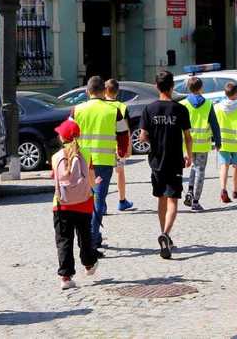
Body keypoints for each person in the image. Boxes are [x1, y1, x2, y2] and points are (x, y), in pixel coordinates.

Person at [71, 76, 129, 257]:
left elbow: (67, 133)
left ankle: (85, 237)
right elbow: (123, 134)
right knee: (98, 201)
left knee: (82, 200)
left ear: (87, 92)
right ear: (104, 92)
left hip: (81, 161)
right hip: (103, 162)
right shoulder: (113, 110)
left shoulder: (77, 109)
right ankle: (92, 239)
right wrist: (121, 151)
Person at [139, 71, 192, 259]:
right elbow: (187, 136)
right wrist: (189, 155)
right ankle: (166, 234)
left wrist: (150, 138)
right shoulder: (180, 109)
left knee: (161, 198)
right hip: (175, 160)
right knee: (173, 200)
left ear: (156, 86)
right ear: (172, 87)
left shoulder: (149, 109)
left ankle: (164, 234)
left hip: (156, 161)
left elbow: (143, 136)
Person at [51, 120, 98, 290]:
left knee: (64, 239)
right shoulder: (86, 153)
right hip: (84, 203)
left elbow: (56, 178)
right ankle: (89, 264)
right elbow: (91, 180)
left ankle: (66, 277)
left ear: (62, 137)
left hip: (61, 205)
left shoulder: (56, 156)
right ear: (78, 135)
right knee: (85, 236)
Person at [181, 77, 221, 212]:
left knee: (193, 168)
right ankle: (196, 201)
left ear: (188, 88)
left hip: (188, 143)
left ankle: (190, 191)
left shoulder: (184, 104)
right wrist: (218, 141)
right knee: (200, 171)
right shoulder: (208, 104)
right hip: (203, 143)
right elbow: (214, 125)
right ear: (201, 88)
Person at [215, 82, 237, 203]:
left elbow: (215, 124)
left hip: (223, 141)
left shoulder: (218, 107)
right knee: (236, 166)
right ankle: (235, 190)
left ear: (225, 93)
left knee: (224, 166)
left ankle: (223, 189)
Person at [105, 79, 134, 211]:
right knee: (120, 172)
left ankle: (101, 204)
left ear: (105, 90)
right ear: (117, 92)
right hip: (118, 145)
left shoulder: (98, 105)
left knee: (100, 175)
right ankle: (122, 200)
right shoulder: (122, 106)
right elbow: (126, 128)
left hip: (101, 145)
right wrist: (128, 147)